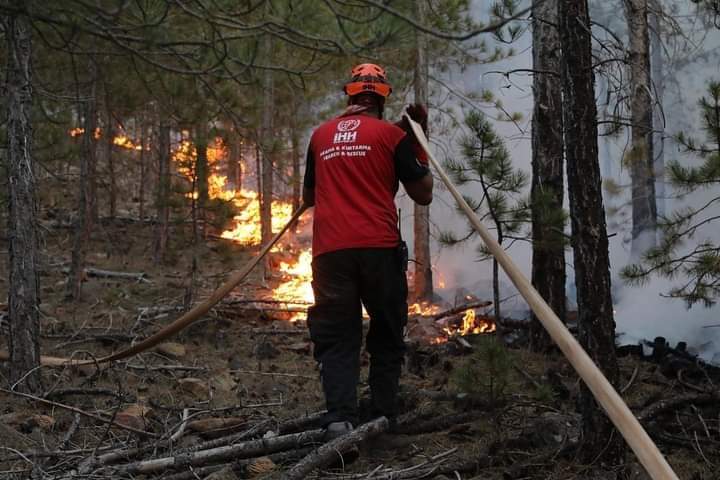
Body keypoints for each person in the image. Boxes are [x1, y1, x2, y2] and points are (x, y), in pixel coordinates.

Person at [302, 63, 434, 439]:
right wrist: (417, 143)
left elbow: (309, 197)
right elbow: (423, 193)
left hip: (330, 252)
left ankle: (340, 420)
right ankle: (382, 416)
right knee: (387, 332)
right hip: (379, 248)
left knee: (337, 336)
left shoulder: (320, 136)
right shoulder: (391, 136)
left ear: (350, 94)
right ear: (383, 98)